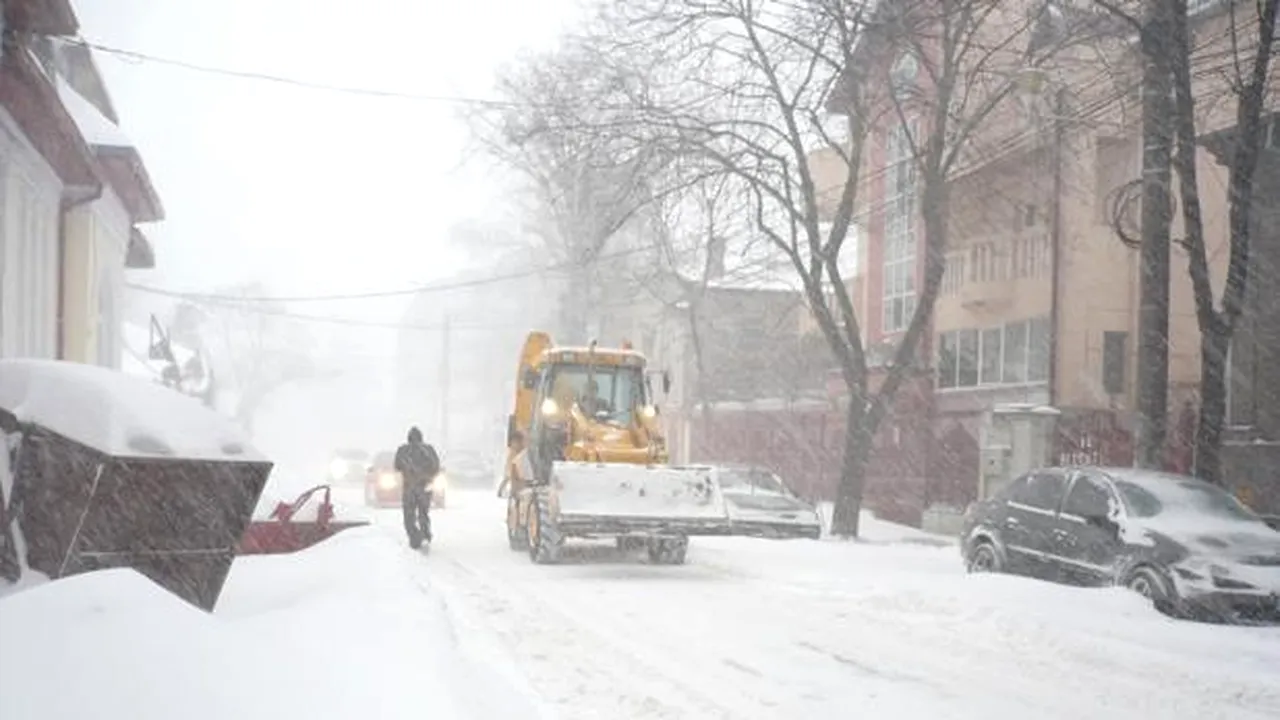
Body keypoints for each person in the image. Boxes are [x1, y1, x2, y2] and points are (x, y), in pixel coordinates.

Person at [394, 426, 440, 549]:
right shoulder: (429, 450)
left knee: (409, 515)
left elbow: (397, 466)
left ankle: (415, 538)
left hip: (409, 487)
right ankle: (425, 534)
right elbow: (436, 467)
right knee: (423, 512)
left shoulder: (403, 450)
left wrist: (408, 469)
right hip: (425, 487)